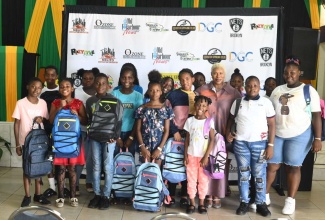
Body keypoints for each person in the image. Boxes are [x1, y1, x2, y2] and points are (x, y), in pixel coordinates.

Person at [266, 56, 322, 215]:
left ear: (299, 73)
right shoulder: (278, 90)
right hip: (277, 134)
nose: (289, 75)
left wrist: (317, 138)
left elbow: (316, 115)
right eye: (286, 73)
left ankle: (290, 200)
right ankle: (264, 196)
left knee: (293, 167)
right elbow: (269, 113)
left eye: (292, 72)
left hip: (299, 134)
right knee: (272, 165)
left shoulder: (308, 90)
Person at [226, 76, 275, 217]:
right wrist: (228, 133)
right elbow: (230, 120)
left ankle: (260, 203)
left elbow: (272, 125)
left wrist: (270, 145)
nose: (252, 88)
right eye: (249, 85)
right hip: (241, 144)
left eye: (255, 85)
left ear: (259, 87)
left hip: (260, 144)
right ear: (244, 87)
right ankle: (244, 202)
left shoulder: (266, 102)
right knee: (243, 175)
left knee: (259, 175)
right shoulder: (238, 102)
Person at [196, 63, 241, 208]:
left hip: (223, 135)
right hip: (205, 135)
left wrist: (231, 132)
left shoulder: (233, 93)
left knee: (220, 164)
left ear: (225, 75)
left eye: (221, 73)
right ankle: (207, 194)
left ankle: (217, 195)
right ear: (211, 74)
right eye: (215, 73)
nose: (218, 76)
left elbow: (239, 115)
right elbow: (195, 108)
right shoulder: (202, 90)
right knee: (207, 163)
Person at [12, 77, 51, 207]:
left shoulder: (43, 103)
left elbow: (46, 120)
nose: (36, 90)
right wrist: (18, 143)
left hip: (39, 141)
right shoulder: (21, 103)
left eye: (39, 87)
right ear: (28, 86)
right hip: (26, 141)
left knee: (38, 166)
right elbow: (17, 123)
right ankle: (27, 195)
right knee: (27, 168)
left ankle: (38, 195)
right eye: (33, 86)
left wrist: (41, 119)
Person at [49, 78, 87, 208]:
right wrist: (60, 108)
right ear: (59, 89)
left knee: (72, 169)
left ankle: (73, 196)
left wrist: (77, 114)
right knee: (60, 169)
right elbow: (50, 121)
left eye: (67, 86)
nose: (64, 88)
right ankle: (60, 196)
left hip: (73, 141)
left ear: (72, 89)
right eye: (61, 86)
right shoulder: (55, 103)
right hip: (60, 141)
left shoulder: (78, 103)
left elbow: (85, 121)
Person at [86, 73, 120, 210]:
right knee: (95, 165)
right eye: (98, 83)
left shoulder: (114, 100)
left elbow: (119, 120)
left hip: (109, 139)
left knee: (107, 166)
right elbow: (89, 120)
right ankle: (97, 194)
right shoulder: (90, 101)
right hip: (94, 138)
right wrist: (90, 131)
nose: (100, 86)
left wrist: (115, 136)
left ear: (108, 85)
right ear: (94, 84)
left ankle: (106, 195)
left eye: (103, 83)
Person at [165, 68, 196, 208]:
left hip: (192, 137)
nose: (185, 82)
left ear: (192, 79)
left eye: (187, 79)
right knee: (174, 165)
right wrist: (174, 130)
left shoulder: (197, 95)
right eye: (182, 79)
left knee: (187, 166)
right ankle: (170, 194)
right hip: (176, 136)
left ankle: (184, 194)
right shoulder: (173, 95)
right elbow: (167, 114)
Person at [183, 95, 215, 214]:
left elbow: (212, 140)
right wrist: (185, 155)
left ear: (207, 108)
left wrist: (206, 156)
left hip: (203, 157)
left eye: (204, 105)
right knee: (191, 179)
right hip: (191, 155)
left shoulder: (209, 121)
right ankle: (192, 203)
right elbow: (187, 139)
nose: (200, 107)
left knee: (203, 180)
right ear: (194, 105)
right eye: (199, 104)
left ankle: (201, 203)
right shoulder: (190, 121)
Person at [135, 79, 174, 166]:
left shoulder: (166, 109)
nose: (154, 93)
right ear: (148, 92)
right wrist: (142, 147)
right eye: (151, 90)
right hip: (145, 147)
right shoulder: (141, 109)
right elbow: (138, 130)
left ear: (161, 92)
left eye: (157, 90)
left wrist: (159, 149)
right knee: (145, 173)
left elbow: (167, 131)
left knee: (156, 172)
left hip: (159, 146)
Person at [74, 67, 99, 194]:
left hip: (96, 132)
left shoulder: (99, 92)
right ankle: (76, 183)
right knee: (80, 158)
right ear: (81, 79)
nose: (88, 81)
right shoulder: (76, 92)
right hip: (80, 130)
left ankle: (89, 181)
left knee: (91, 158)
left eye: (91, 78)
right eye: (85, 78)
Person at [111, 65, 143, 158]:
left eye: (129, 78)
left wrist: (131, 137)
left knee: (129, 160)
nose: (126, 80)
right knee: (115, 160)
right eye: (124, 78)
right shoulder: (114, 94)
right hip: (116, 132)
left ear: (134, 79)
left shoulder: (138, 96)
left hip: (132, 132)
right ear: (120, 78)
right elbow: (112, 117)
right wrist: (117, 137)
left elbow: (138, 119)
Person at [40, 65, 60, 198]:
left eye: (53, 75)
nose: (50, 77)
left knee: (59, 158)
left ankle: (61, 186)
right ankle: (52, 186)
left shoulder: (63, 89)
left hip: (60, 130)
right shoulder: (41, 92)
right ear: (44, 76)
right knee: (48, 158)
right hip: (46, 129)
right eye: (48, 75)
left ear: (57, 76)